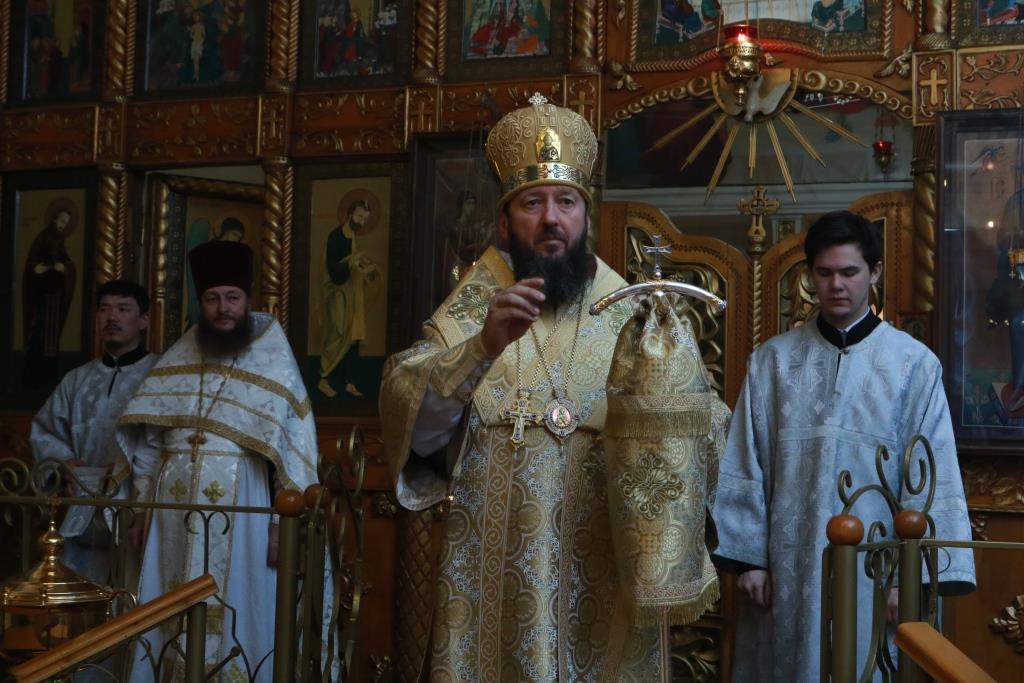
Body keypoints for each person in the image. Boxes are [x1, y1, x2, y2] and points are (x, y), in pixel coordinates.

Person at [380, 94, 660, 681]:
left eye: (566, 202)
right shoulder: (467, 319)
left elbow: (691, 433)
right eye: (533, 202)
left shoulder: (635, 321)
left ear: (586, 217)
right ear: (506, 223)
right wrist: (481, 347)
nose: (551, 218)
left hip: (601, 568)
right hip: (494, 581)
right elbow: (418, 432)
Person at [712, 211, 976, 682]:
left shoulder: (913, 365)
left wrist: (909, 579)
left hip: (879, 572)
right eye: (825, 273)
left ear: (874, 272)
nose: (836, 285)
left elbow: (931, 473)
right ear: (810, 276)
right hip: (789, 570)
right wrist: (750, 560)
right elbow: (746, 461)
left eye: (849, 272)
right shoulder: (773, 362)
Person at [118, 240, 321, 682]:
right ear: (201, 302)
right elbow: (150, 442)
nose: (222, 308)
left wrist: (280, 525)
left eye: (232, 297)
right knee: (167, 603)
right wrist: (140, 510)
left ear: (248, 301)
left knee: (237, 602)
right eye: (212, 298)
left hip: (242, 507)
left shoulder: (273, 359)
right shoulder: (180, 354)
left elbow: (294, 445)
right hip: (171, 512)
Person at [30, 279, 158, 586]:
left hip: (136, 509)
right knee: (79, 596)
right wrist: (65, 464)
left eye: (123, 309)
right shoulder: (77, 379)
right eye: (104, 309)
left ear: (143, 320)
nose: (111, 317)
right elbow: (44, 431)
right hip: (83, 507)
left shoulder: (159, 376)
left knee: (132, 593)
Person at [318, 199, 381, 398]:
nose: (361, 222)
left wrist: (367, 270)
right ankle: (323, 379)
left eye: (365, 219)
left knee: (353, 337)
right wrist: (352, 262)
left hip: (353, 294)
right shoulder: (335, 236)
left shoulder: (353, 236)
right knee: (337, 334)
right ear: (350, 214)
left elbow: (354, 266)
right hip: (337, 294)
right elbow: (334, 272)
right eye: (359, 216)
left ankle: (349, 382)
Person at [22, 201, 78, 384]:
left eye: (66, 223)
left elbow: (66, 262)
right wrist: (38, 269)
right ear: (54, 219)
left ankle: (48, 374)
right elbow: (32, 265)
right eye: (61, 221)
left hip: (54, 295)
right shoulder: (43, 237)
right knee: (40, 333)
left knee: (51, 335)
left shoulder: (59, 239)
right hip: (42, 295)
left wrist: (65, 268)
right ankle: (35, 374)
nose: (63, 225)